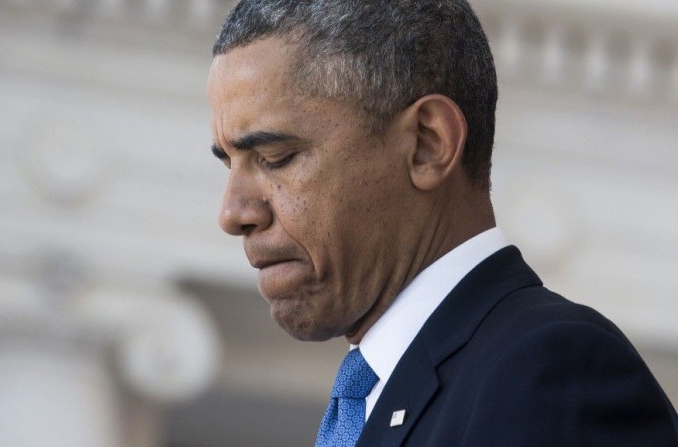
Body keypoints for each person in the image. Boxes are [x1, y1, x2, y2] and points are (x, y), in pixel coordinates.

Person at [206, 0, 678, 446]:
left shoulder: (549, 370)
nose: (234, 214)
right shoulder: (384, 393)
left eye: (276, 157)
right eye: (230, 163)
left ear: (428, 144)